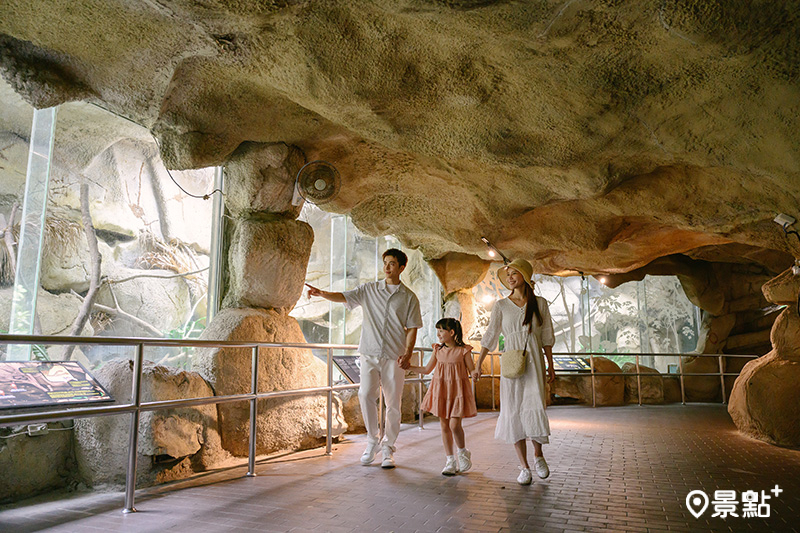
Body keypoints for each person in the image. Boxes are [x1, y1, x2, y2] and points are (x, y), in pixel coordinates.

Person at [306, 248, 422, 469]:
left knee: (393, 404)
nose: (387, 267)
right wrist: (322, 293)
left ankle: (388, 448)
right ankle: (372, 440)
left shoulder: (409, 297)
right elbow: (344, 296)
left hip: (394, 357)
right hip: (368, 353)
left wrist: (407, 353)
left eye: (392, 263)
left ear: (402, 267)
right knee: (365, 393)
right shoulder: (369, 290)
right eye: (385, 262)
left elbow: (413, 328)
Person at [472, 258, 556, 485]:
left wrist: (550, 363)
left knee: (534, 404)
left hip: (535, 361)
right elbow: (490, 336)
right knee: (513, 408)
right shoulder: (501, 305)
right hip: (511, 361)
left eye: (514, 273)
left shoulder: (540, 303)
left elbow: (546, 336)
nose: (510, 278)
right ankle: (523, 466)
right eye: (507, 275)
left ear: (525, 276)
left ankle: (538, 456)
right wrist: (478, 364)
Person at [409, 318, 477, 476]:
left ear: (451, 333)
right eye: (437, 330)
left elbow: (471, 369)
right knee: (444, 426)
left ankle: (462, 452)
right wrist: (409, 367)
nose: (438, 334)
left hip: (457, 392)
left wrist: (475, 374)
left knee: (454, 425)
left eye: (441, 330)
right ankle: (450, 460)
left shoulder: (464, 350)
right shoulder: (437, 350)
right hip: (441, 391)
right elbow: (426, 369)